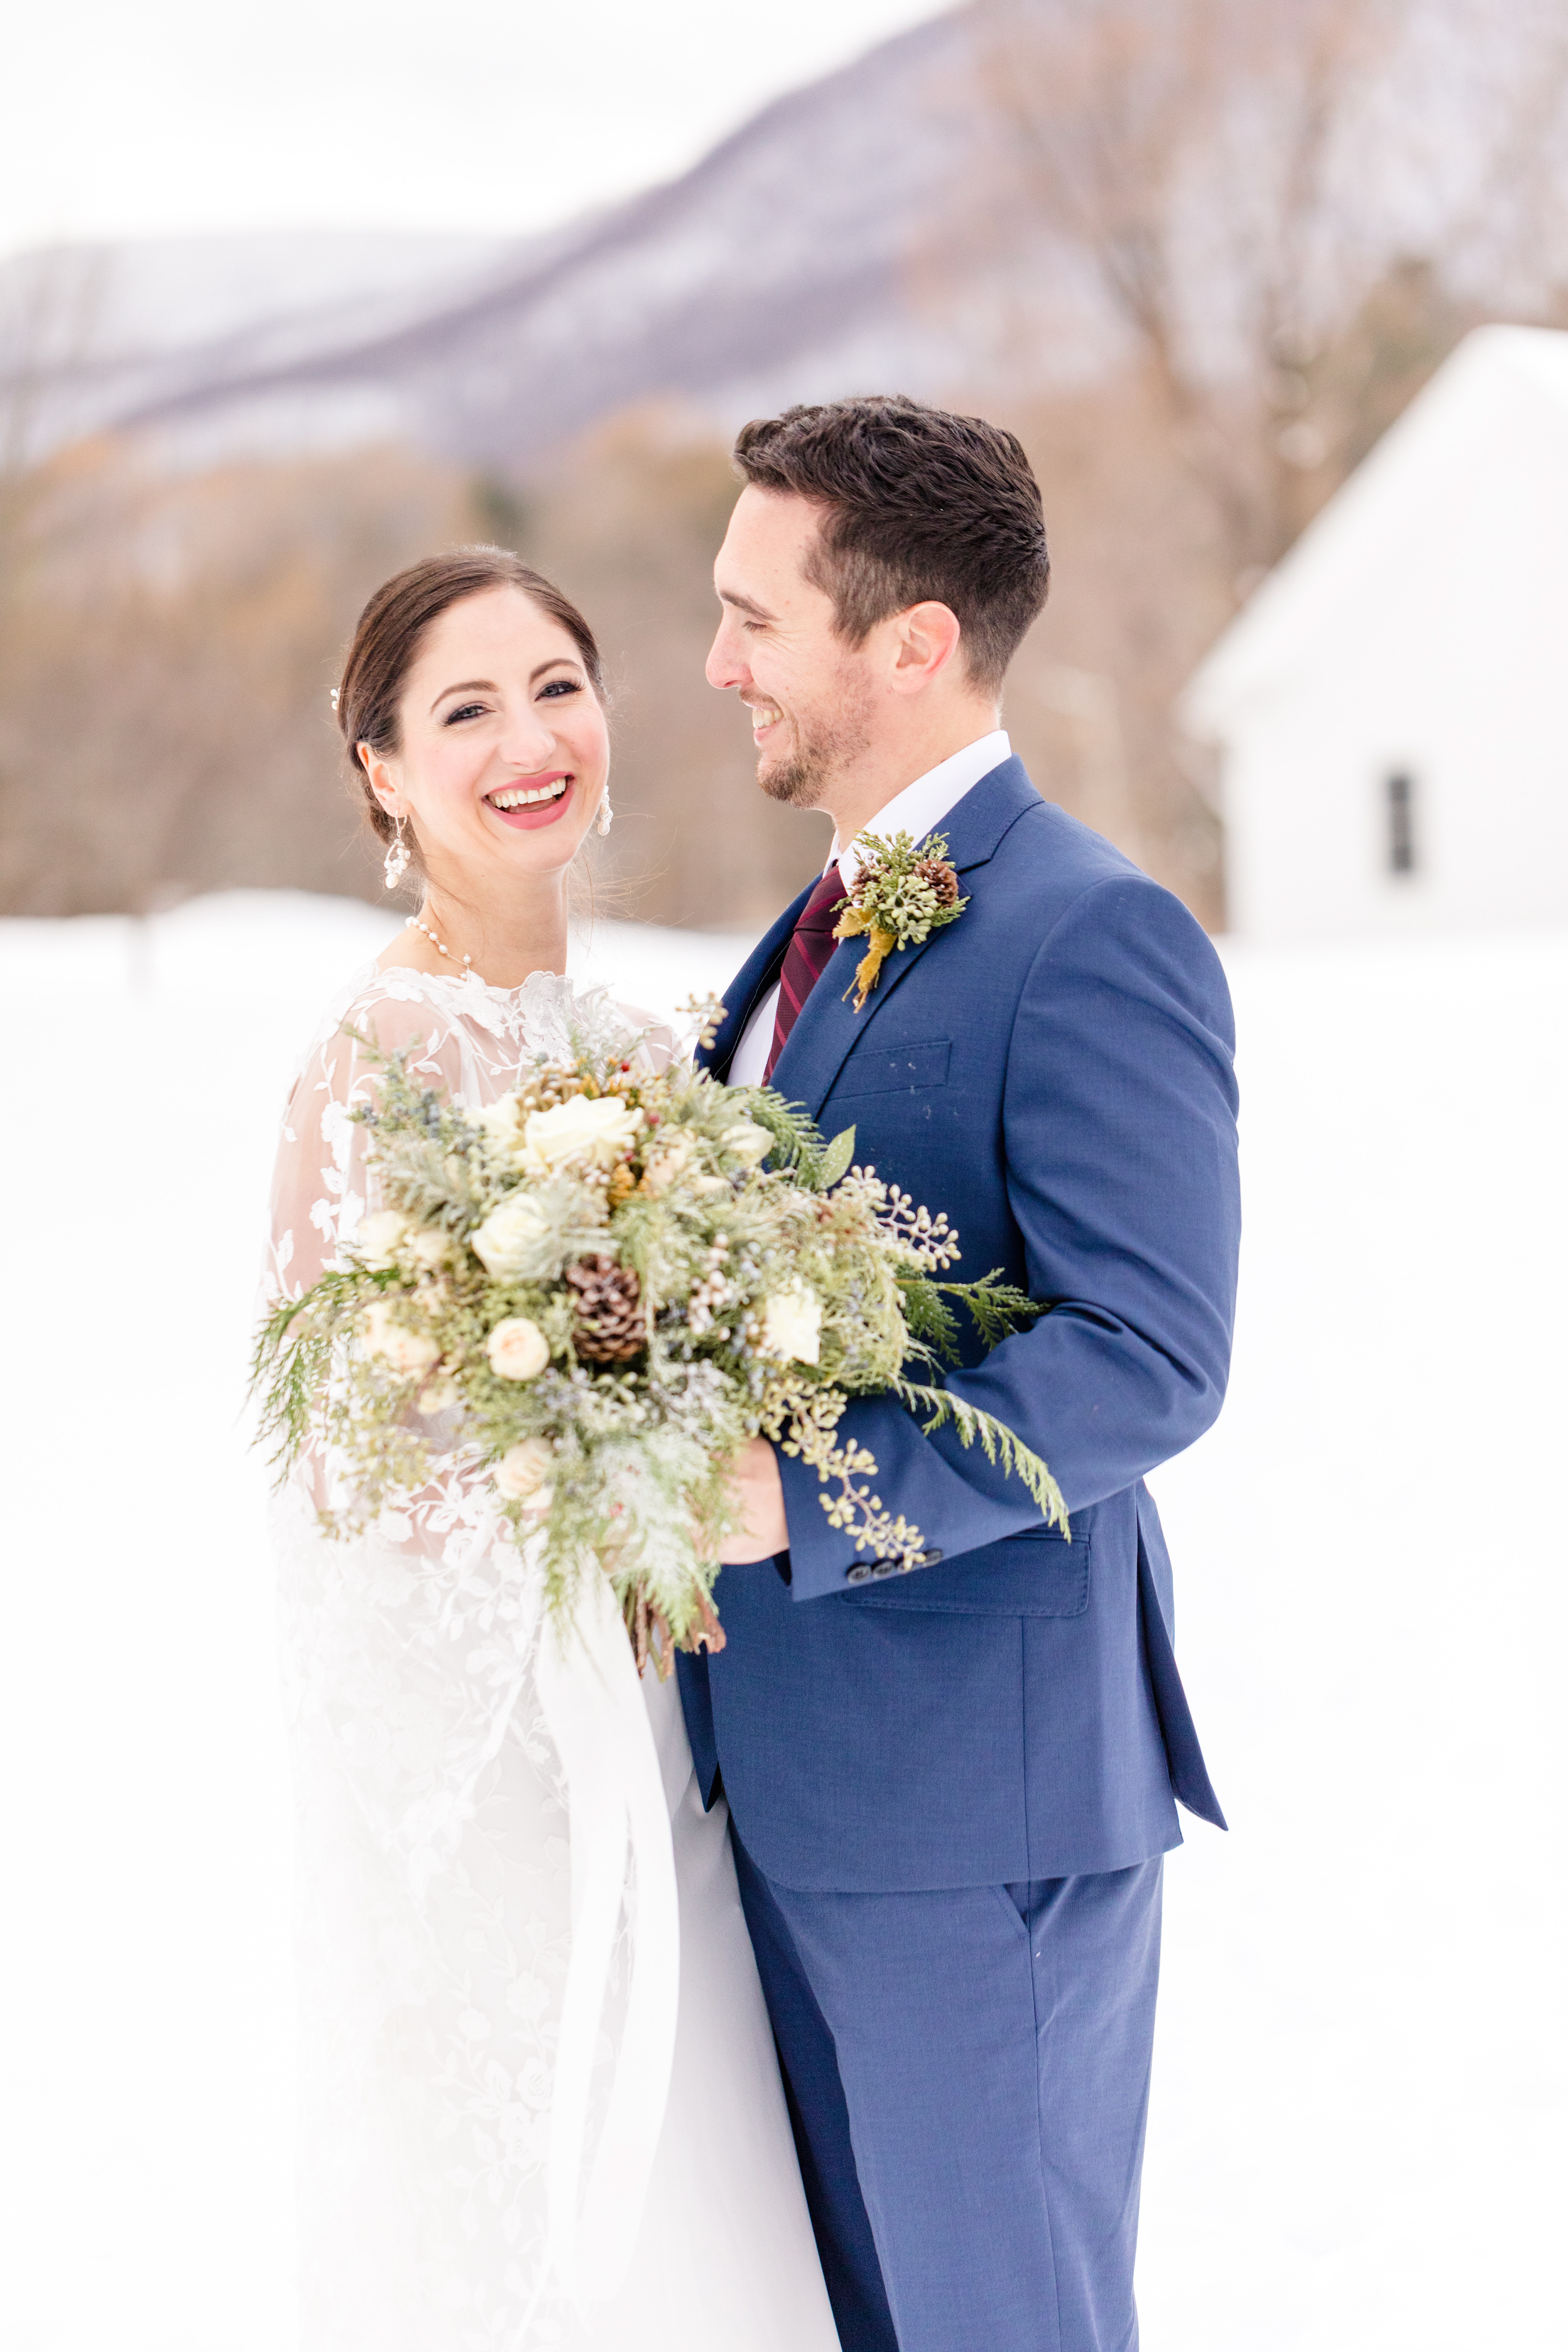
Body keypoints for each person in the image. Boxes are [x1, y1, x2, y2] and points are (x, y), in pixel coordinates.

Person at [682, 396, 1242, 2352]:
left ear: (908, 645)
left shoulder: (1095, 935)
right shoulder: (802, 940)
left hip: (976, 1827)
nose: (717, 660)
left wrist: (806, 1487)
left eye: (757, 617)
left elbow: (1152, 1356)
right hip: (787, 1788)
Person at [263, 548, 842, 2350]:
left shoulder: (637, 1042)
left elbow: (645, 1341)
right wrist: (586, 1524)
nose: (532, 740)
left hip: (669, 1714)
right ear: (381, 770)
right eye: (465, 710)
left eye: (558, 687)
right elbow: (345, 1463)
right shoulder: (381, 1052)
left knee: (700, 2162)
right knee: (548, 2182)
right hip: (498, 1755)